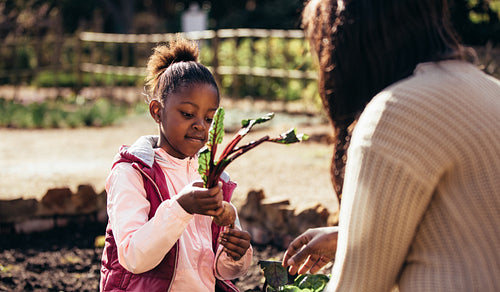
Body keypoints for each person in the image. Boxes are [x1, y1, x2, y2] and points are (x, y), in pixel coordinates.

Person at [282, 0, 500, 291]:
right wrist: (350, 236)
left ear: (347, 40)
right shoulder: (490, 89)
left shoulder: (395, 113)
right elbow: (470, 232)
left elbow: (357, 287)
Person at [100, 36, 252, 291]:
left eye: (208, 117)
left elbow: (219, 270)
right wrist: (181, 207)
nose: (200, 125)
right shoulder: (132, 173)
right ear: (157, 111)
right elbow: (133, 257)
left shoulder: (213, 179)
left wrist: (236, 253)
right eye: (188, 114)